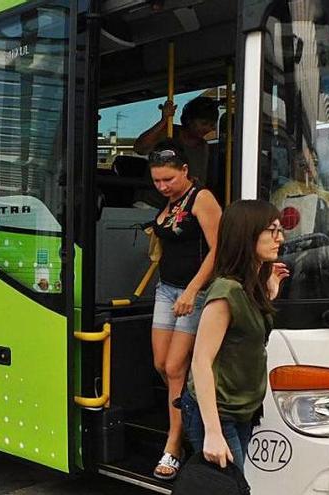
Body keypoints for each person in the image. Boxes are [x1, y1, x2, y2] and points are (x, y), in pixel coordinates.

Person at [180, 199, 289, 472]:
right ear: (246, 234)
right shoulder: (226, 292)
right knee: (230, 486)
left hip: (242, 411)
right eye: (272, 231)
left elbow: (249, 328)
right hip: (218, 414)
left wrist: (270, 288)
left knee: (233, 485)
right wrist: (213, 432)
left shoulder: (249, 286)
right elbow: (201, 362)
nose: (280, 238)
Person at [148, 143, 222, 480]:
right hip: (166, 289)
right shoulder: (172, 202)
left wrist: (193, 289)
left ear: (185, 172)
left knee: (176, 366)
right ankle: (190, 414)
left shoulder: (201, 198)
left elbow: (219, 248)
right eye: (157, 181)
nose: (162, 186)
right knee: (162, 365)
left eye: (168, 179)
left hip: (194, 292)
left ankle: (174, 444)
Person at [135, 96, 219, 187]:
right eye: (204, 123)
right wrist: (164, 120)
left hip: (182, 199)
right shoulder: (169, 132)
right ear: (189, 120)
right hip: (152, 199)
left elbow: (200, 180)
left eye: (211, 125)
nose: (208, 128)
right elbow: (140, 148)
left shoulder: (203, 145)